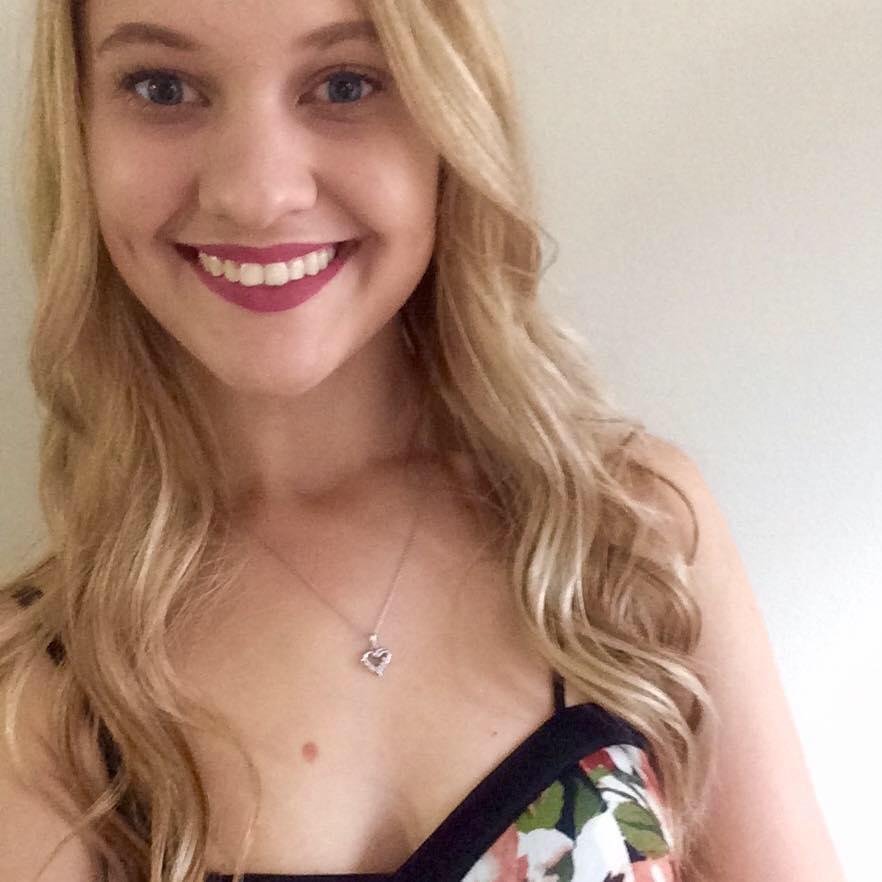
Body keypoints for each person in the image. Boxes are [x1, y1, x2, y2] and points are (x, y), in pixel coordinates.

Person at [0, 1, 845, 881]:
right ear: (79, 130)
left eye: (346, 84)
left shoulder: (630, 532)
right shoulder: (34, 689)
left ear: (450, 118)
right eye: (163, 88)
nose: (257, 193)